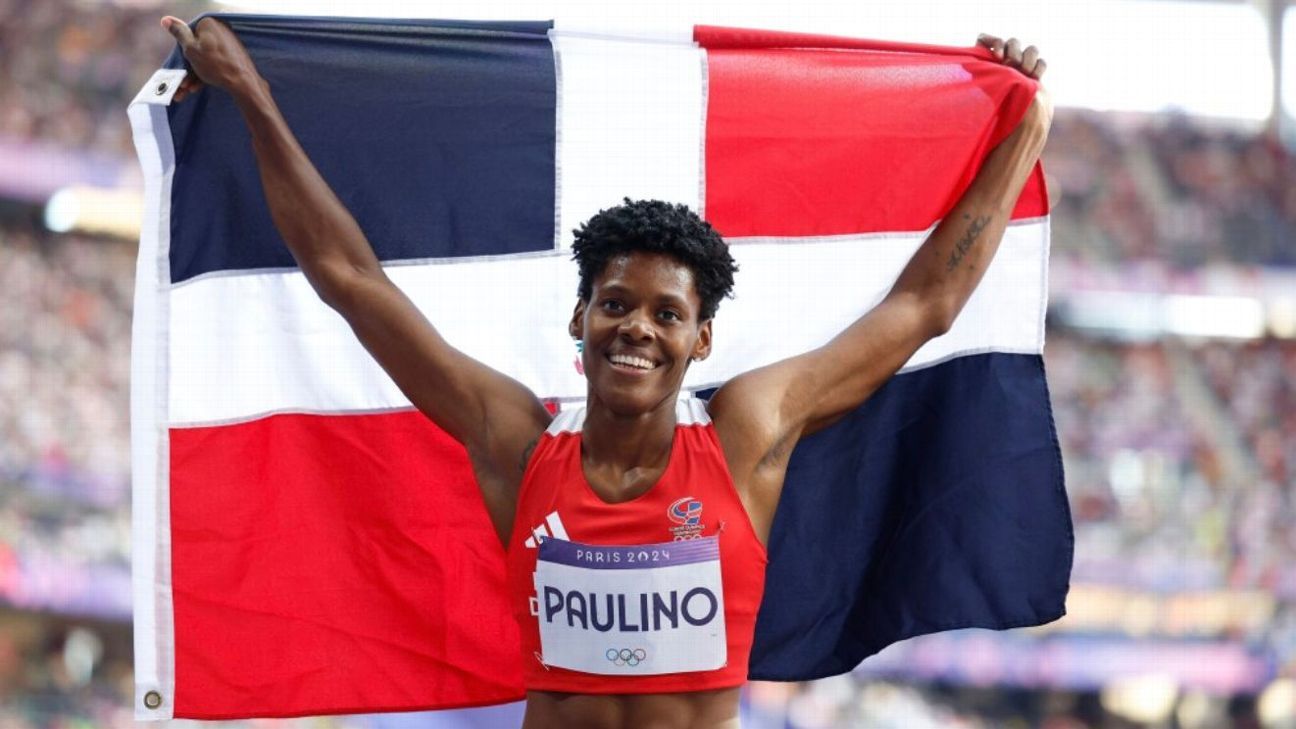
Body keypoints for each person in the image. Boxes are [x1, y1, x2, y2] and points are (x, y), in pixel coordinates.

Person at [161, 14, 1050, 729]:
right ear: (579, 319)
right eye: (617, 303)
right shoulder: (515, 440)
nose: (638, 328)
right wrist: (253, 98)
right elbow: (351, 280)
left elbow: (923, 305)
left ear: (701, 340)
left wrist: (1026, 131)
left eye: (668, 314)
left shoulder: (747, 431)